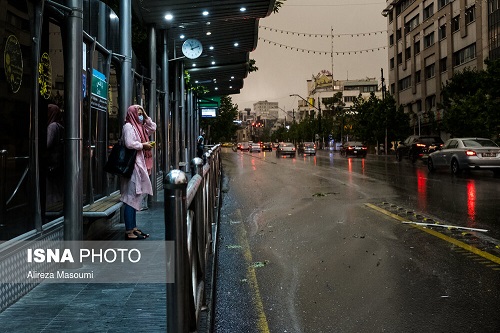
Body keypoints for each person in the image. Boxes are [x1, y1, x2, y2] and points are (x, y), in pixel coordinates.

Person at [120, 105, 156, 240]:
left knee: (135, 197)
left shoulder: (140, 126)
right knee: (130, 198)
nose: (140, 115)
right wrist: (143, 145)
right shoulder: (128, 126)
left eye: (141, 113)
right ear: (132, 114)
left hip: (138, 164)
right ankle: (129, 230)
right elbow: (130, 143)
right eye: (138, 113)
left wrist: (146, 116)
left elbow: (153, 128)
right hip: (132, 166)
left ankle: (133, 228)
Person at [46, 104, 64, 208]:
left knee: (51, 187)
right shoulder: (60, 126)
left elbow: (47, 143)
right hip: (59, 161)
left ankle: (52, 206)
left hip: (52, 161)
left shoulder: (52, 126)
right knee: (57, 186)